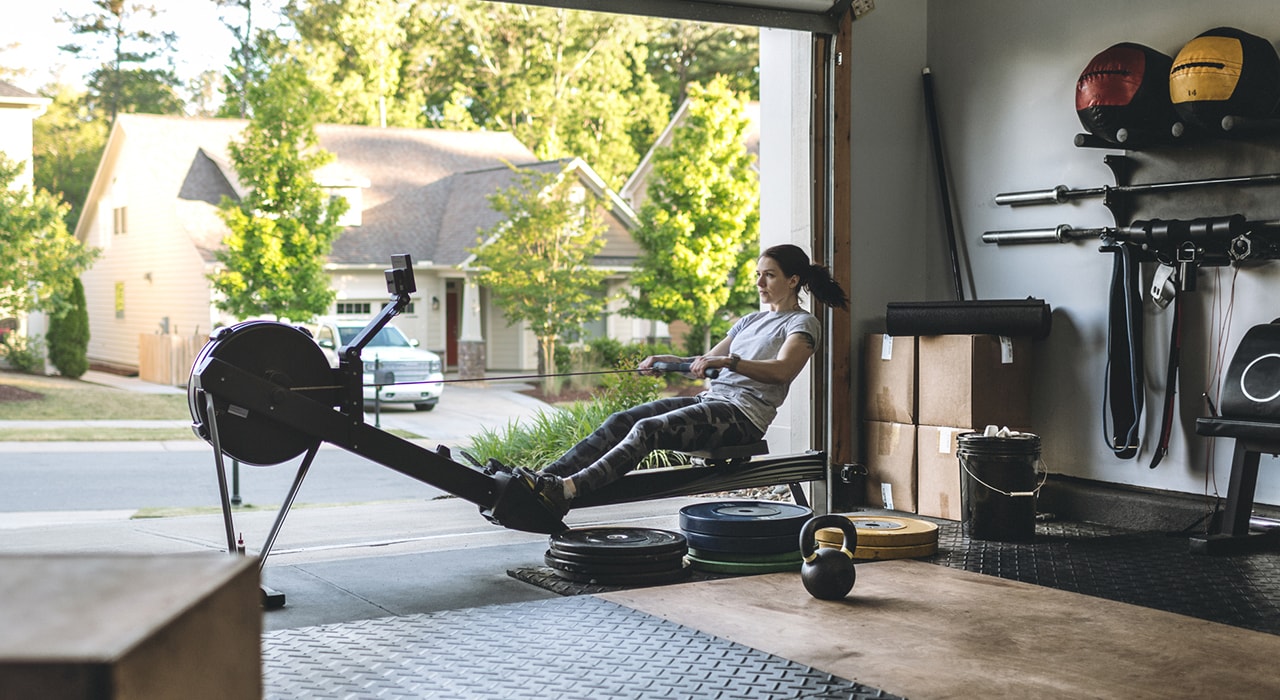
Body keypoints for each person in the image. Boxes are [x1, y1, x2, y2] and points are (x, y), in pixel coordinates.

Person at [510, 243, 849, 518]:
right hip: (713, 403)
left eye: (769, 276)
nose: (760, 283)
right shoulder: (749, 321)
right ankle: (540, 482)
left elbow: (783, 370)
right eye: (758, 275)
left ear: (793, 281)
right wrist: (670, 362)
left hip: (743, 417)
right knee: (623, 420)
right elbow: (704, 362)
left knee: (648, 430)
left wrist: (730, 361)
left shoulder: (801, 324)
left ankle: (566, 491)